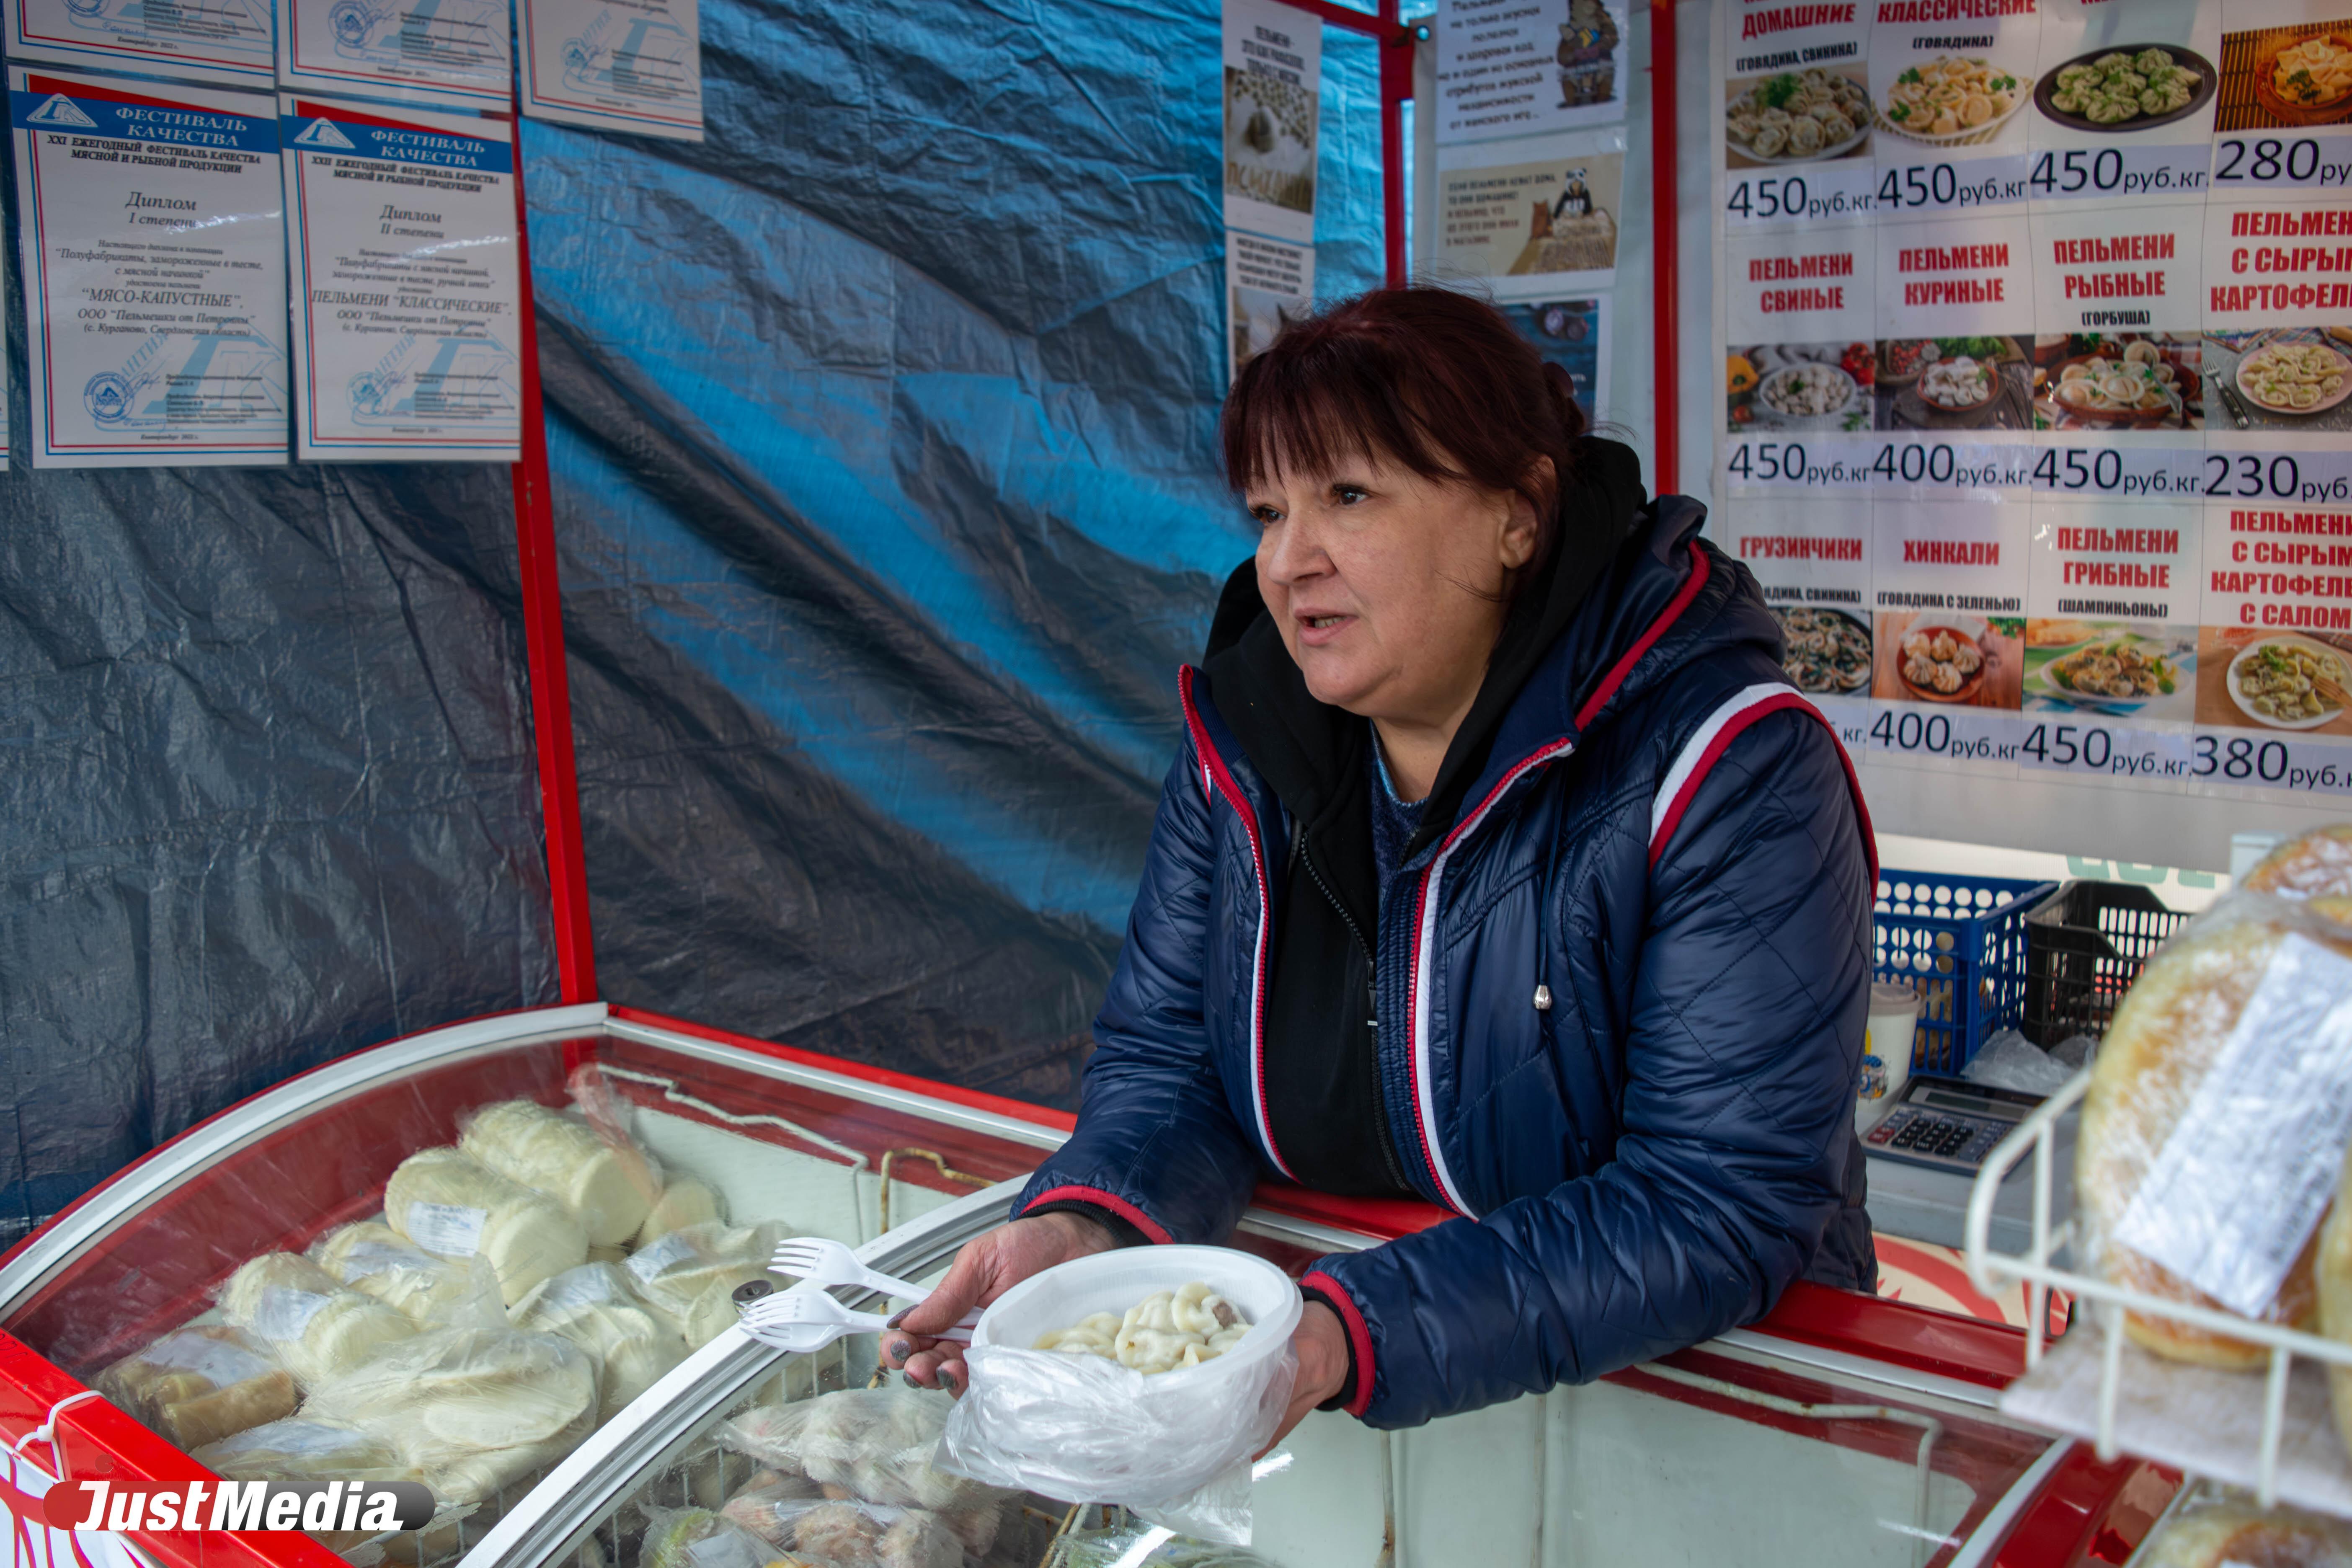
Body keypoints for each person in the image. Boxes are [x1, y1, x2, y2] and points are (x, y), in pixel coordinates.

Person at [884, 286, 1876, 1442]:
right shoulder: (1244, 752)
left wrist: (1341, 1333)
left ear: (1519, 514)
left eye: (1349, 497)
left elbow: (1719, 1201)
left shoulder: (1725, 768)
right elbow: (1171, 1066)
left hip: (1693, 1418)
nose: (1289, 561)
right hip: (1358, 1394)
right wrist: (1090, 1231)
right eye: (1268, 510)